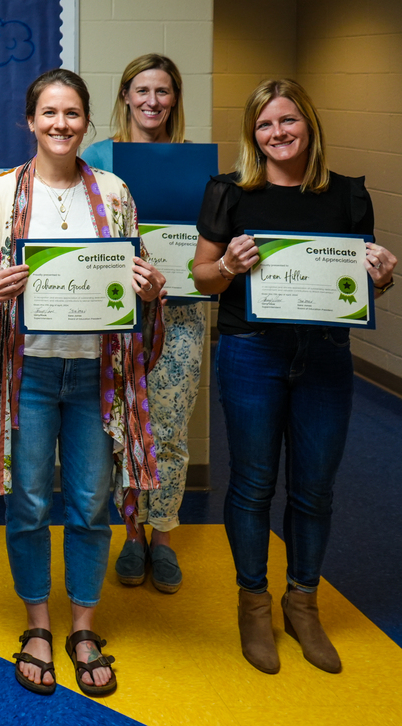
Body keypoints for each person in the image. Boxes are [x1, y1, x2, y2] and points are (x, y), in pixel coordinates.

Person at [0, 68, 164, 698]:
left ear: (86, 121)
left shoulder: (115, 192)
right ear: (30, 121)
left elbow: (134, 273)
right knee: (27, 503)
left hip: (98, 373)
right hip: (30, 371)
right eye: (49, 113)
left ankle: (82, 627)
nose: (60, 124)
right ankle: (37, 625)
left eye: (72, 113)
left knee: (89, 501)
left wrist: (149, 289)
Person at [193, 79, 396, 676]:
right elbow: (203, 276)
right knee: (253, 484)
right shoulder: (229, 192)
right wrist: (227, 265)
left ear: (309, 125)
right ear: (252, 135)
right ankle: (253, 602)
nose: (277, 134)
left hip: (326, 356)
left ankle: (302, 602)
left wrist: (382, 276)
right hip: (252, 352)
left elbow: (363, 281)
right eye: (264, 125)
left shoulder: (349, 196)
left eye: (287, 122)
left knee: (315, 488)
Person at [81, 54, 201, 594]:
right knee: (121, 427)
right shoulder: (95, 159)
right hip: (114, 315)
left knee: (169, 428)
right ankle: (132, 533)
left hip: (178, 313)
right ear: (126, 95)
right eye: (142, 90)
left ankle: (166, 535)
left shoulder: (195, 164)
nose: (152, 101)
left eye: (164, 91)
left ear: (174, 99)